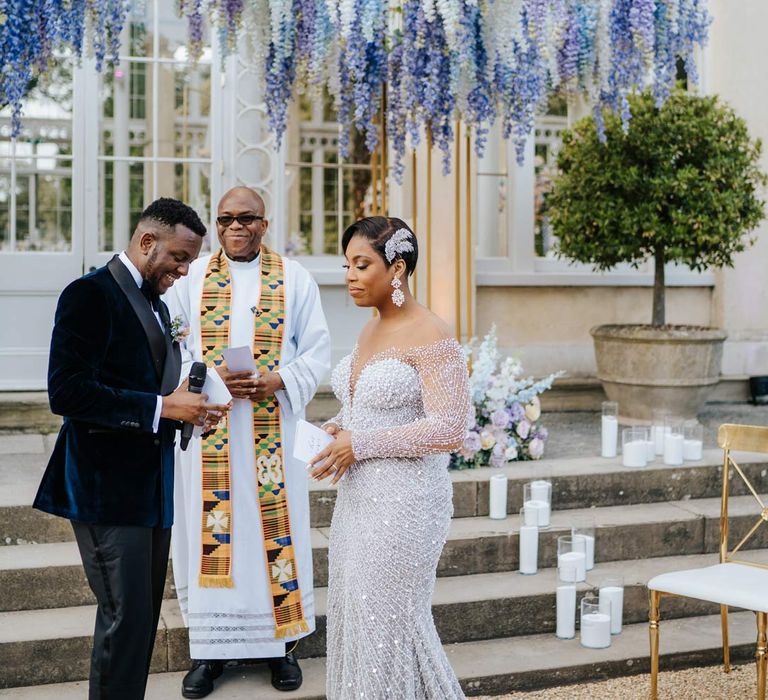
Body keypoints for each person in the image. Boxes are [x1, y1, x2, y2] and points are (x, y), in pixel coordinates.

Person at [34, 198, 230, 700]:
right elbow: (68, 392)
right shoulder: (89, 295)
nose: (184, 272)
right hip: (103, 488)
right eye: (180, 258)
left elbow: (153, 387)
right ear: (148, 242)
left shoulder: (158, 306)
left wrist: (193, 406)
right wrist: (163, 408)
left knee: (140, 619)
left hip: (150, 486)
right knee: (126, 618)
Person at [166, 186, 331, 697]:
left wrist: (275, 380)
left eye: (247, 218)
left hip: (270, 438)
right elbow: (170, 346)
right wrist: (208, 375)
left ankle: (281, 648)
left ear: (265, 222)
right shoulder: (190, 277)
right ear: (217, 225)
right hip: (210, 428)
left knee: (272, 535)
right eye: (226, 219)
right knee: (211, 539)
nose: (236, 227)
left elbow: (319, 351)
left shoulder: (295, 278)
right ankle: (210, 653)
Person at [309, 216, 470, 699]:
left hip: (406, 504)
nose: (351, 276)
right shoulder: (368, 331)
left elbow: (451, 426)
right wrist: (340, 426)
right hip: (358, 502)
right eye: (347, 265)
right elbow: (364, 406)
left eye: (363, 265)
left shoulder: (431, 332)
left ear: (396, 268)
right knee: (357, 614)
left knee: (390, 621)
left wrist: (360, 443)